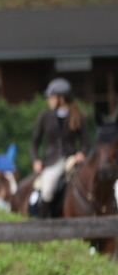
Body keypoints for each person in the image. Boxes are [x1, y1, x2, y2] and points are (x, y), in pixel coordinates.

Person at [30, 77, 88, 217]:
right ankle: (46, 222)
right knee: (48, 189)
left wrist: (82, 153)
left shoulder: (79, 116)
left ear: (61, 99)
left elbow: (85, 142)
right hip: (53, 161)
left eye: (52, 97)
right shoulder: (45, 117)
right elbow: (34, 143)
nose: (49, 100)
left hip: (72, 159)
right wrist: (35, 160)